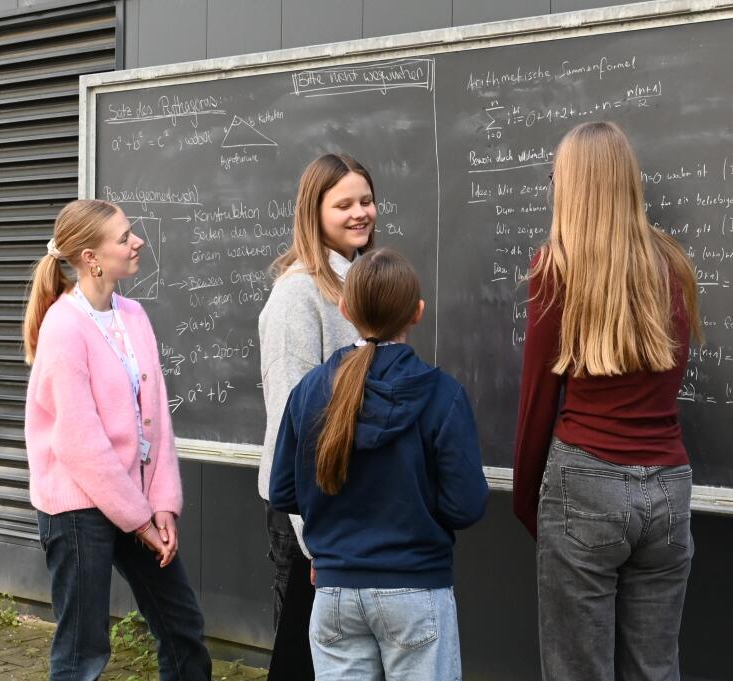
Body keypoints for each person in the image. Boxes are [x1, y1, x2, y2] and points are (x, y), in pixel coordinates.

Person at [513, 121, 702, 681]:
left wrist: (526, 501)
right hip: (668, 485)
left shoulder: (557, 266)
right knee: (655, 669)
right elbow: (669, 379)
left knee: (578, 670)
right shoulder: (672, 263)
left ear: (572, 185)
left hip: (586, 481)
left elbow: (538, 397)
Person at [269, 248, 489, 681]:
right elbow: (465, 506)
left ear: (345, 309)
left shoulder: (310, 390)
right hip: (416, 589)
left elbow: (283, 491)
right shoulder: (442, 395)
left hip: (334, 592)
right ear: (417, 312)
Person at [23, 199, 211, 680]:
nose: (138, 242)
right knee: (83, 651)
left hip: (134, 499)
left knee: (182, 627)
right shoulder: (64, 327)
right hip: (78, 508)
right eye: (125, 237)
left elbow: (157, 417)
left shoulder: (134, 315)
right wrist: (140, 519)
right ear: (91, 258)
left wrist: (162, 502)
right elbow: (78, 442)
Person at [259, 153, 376, 677]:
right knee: (303, 657)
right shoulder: (299, 292)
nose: (360, 213)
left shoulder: (360, 280)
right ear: (314, 212)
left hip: (349, 501)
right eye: (343, 204)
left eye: (366, 201)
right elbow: (293, 418)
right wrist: (313, 537)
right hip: (309, 509)